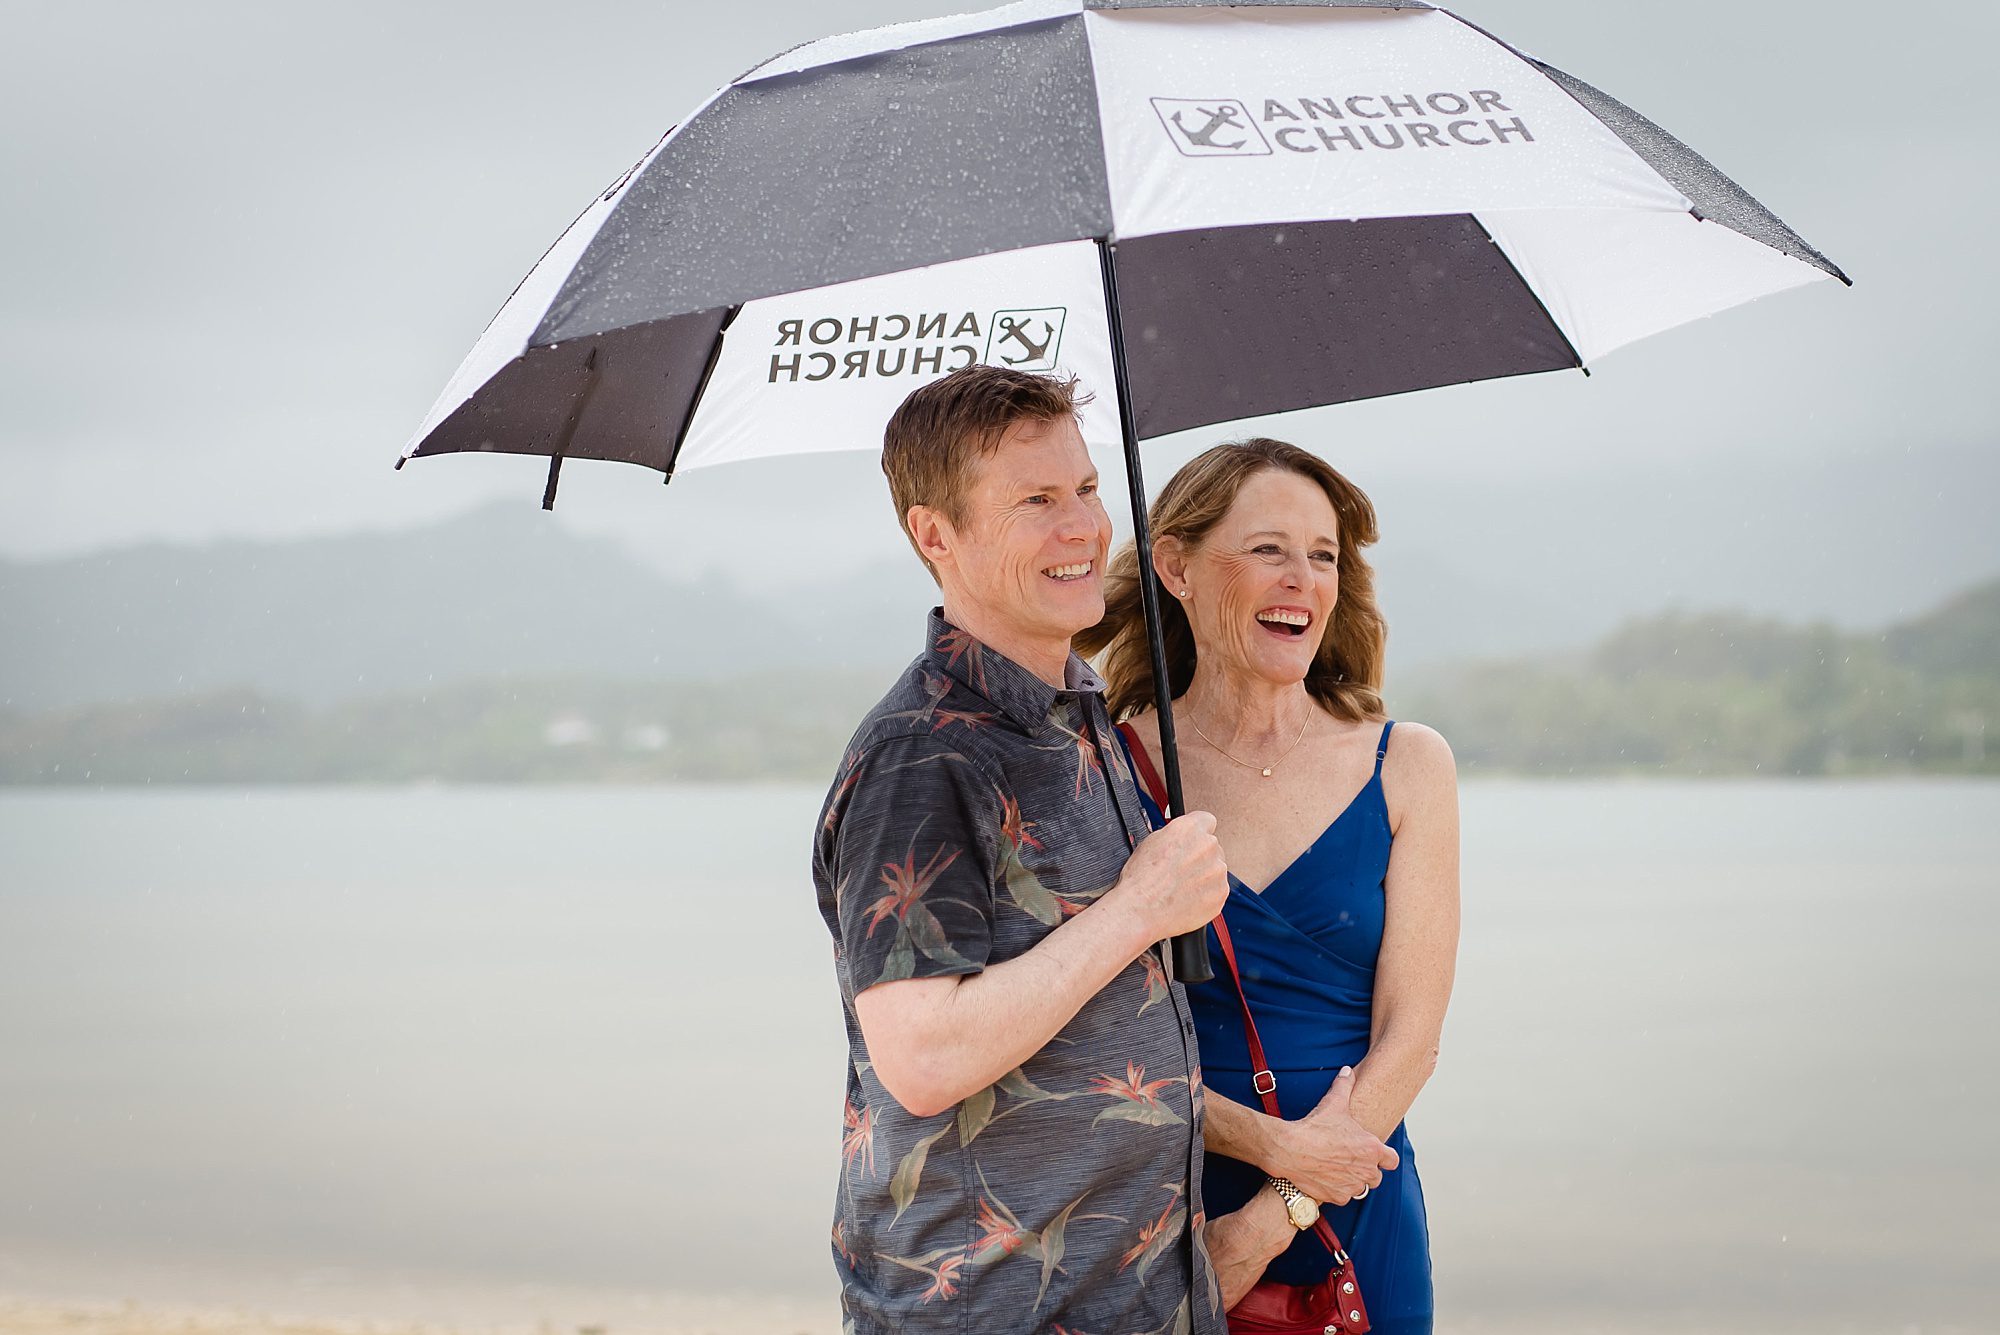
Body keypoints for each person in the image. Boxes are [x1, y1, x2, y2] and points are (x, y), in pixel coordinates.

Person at [814, 365, 1270, 1333]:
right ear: (934, 536)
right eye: (1034, 502)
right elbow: (923, 1057)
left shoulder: (1075, 709)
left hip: (1136, 1298)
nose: (1082, 530)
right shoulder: (924, 753)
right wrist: (1140, 910)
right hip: (990, 1305)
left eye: (1087, 490)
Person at [1077, 438, 1460, 1335]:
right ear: (1176, 565)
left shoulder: (1408, 764)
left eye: (1322, 556)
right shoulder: (1106, 770)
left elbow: (1413, 1037)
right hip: (1169, 1220)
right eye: (1268, 550)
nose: (1303, 579)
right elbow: (1093, 1049)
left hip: (1357, 1213)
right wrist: (1263, 1164)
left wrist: (1270, 1214)